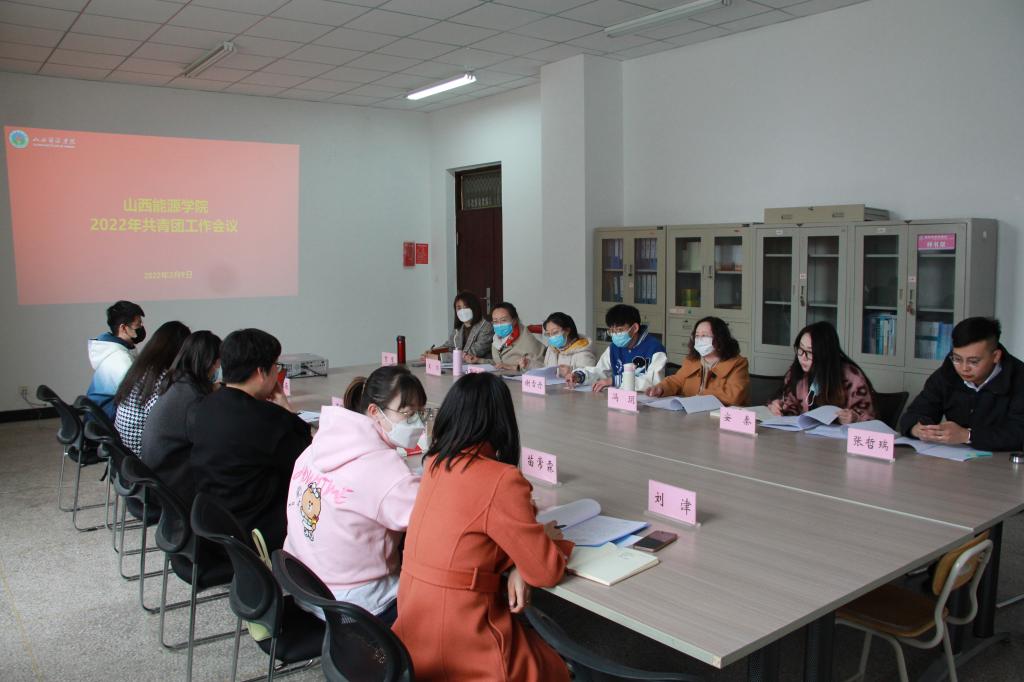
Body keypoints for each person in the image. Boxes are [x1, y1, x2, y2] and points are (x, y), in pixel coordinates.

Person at [392, 373, 573, 681]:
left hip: (413, 633)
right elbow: (545, 571)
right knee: (551, 668)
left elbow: (473, 536)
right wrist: (543, 543)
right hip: (464, 643)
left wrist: (518, 564)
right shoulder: (501, 479)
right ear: (502, 422)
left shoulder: (435, 464)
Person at [283, 366, 424, 625]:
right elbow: (432, 518)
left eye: (419, 413)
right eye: (408, 413)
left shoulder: (318, 446)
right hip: (355, 605)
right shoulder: (384, 470)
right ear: (375, 412)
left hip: (304, 585)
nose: (418, 423)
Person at [188, 329, 312, 551]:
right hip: (257, 533)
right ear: (261, 372)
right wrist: (285, 408)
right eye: (276, 366)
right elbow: (308, 459)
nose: (277, 373)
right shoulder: (267, 419)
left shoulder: (206, 405)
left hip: (215, 523)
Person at [899, 317, 1024, 451]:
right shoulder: (946, 374)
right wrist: (917, 429)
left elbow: (1018, 433)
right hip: (956, 456)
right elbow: (915, 413)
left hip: (1003, 459)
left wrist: (967, 436)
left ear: (996, 356)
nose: (964, 368)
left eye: (973, 361)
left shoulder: (1019, 378)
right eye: (957, 359)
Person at [140, 331, 222, 505]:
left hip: (157, 476)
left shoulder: (177, 381)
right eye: (217, 362)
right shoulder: (192, 399)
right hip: (173, 489)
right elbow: (212, 444)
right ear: (210, 362)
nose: (218, 367)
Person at [768, 321, 876, 424]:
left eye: (809, 352)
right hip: (804, 435)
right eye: (800, 349)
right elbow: (789, 405)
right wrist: (778, 407)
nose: (803, 358)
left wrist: (855, 418)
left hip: (839, 436)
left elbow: (870, 419)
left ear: (825, 354)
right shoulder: (797, 372)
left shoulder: (852, 377)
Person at [113, 321, 191, 456]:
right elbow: (166, 421)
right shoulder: (158, 379)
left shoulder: (142, 369)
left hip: (124, 451)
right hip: (141, 457)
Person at [647, 316, 750, 406]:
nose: (699, 339)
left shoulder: (738, 364)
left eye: (704, 335)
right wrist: (661, 388)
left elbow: (734, 396)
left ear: (720, 338)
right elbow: (676, 381)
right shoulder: (692, 360)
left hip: (720, 417)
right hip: (691, 414)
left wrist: (699, 396)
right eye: (697, 336)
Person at [567, 304, 667, 392]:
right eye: (612, 331)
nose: (615, 335)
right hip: (620, 400)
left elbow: (654, 381)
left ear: (634, 328)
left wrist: (615, 381)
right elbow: (600, 371)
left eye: (619, 330)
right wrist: (580, 376)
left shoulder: (655, 348)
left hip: (646, 402)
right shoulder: (614, 347)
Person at [86, 300, 145, 419]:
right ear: (123, 328)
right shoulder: (119, 359)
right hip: (107, 418)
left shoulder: (116, 351)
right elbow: (136, 395)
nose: (141, 328)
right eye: (138, 324)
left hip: (100, 415)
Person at [465, 301, 544, 370]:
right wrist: (479, 360)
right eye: (495, 321)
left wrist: (514, 367)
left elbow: (541, 366)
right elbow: (500, 363)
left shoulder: (527, 340)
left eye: (503, 320)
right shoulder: (497, 339)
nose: (499, 324)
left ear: (514, 321)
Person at [422, 291, 493, 360]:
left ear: (474, 307)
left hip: (479, 366)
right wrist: (434, 352)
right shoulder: (458, 329)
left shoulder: (486, 327)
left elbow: (472, 353)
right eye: (459, 308)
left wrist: (439, 357)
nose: (462, 311)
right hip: (460, 365)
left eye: (466, 307)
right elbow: (449, 346)